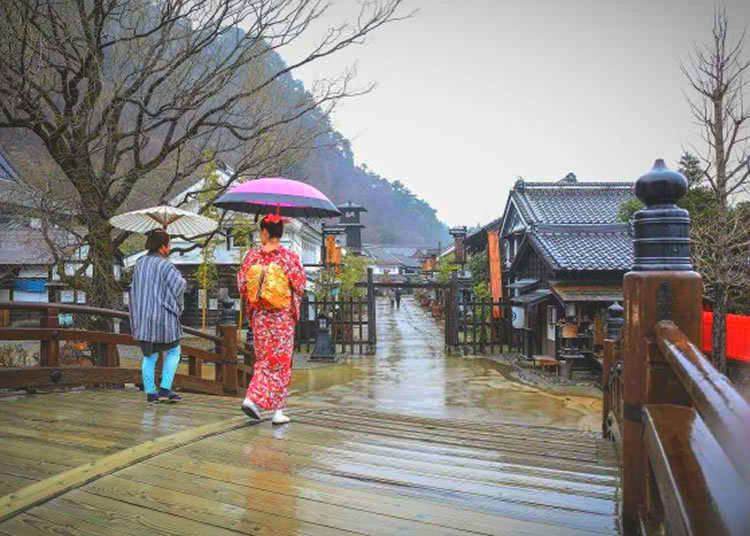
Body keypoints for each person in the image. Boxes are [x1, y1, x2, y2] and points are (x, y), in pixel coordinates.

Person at [237, 212, 306, 425]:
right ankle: (272, 408)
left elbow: (241, 285)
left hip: (259, 317)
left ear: (265, 232)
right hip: (282, 318)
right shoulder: (288, 257)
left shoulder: (251, 257)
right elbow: (300, 285)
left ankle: (256, 400)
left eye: (261, 232)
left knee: (264, 360)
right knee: (282, 362)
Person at [129, 229, 186, 403]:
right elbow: (179, 286)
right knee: (174, 350)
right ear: (162, 247)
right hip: (162, 317)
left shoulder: (139, 263)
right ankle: (165, 389)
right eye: (168, 245)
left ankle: (151, 393)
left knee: (149, 355)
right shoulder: (165, 265)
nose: (169, 248)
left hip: (143, 317)